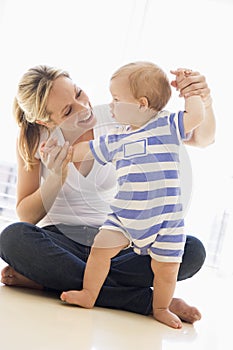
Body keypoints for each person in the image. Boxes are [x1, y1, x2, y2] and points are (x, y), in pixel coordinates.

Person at [0, 64, 215, 321]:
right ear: (44, 121)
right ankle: (148, 302)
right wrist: (57, 176)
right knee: (13, 237)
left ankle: (53, 281)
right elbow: (26, 215)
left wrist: (204, 99)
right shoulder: (35, 139)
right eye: (68, 110)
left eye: (79, 93)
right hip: (63, 244)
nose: (83, 108)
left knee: (191, 251)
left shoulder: (120, 116)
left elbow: (202, 138)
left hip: (118, 242)